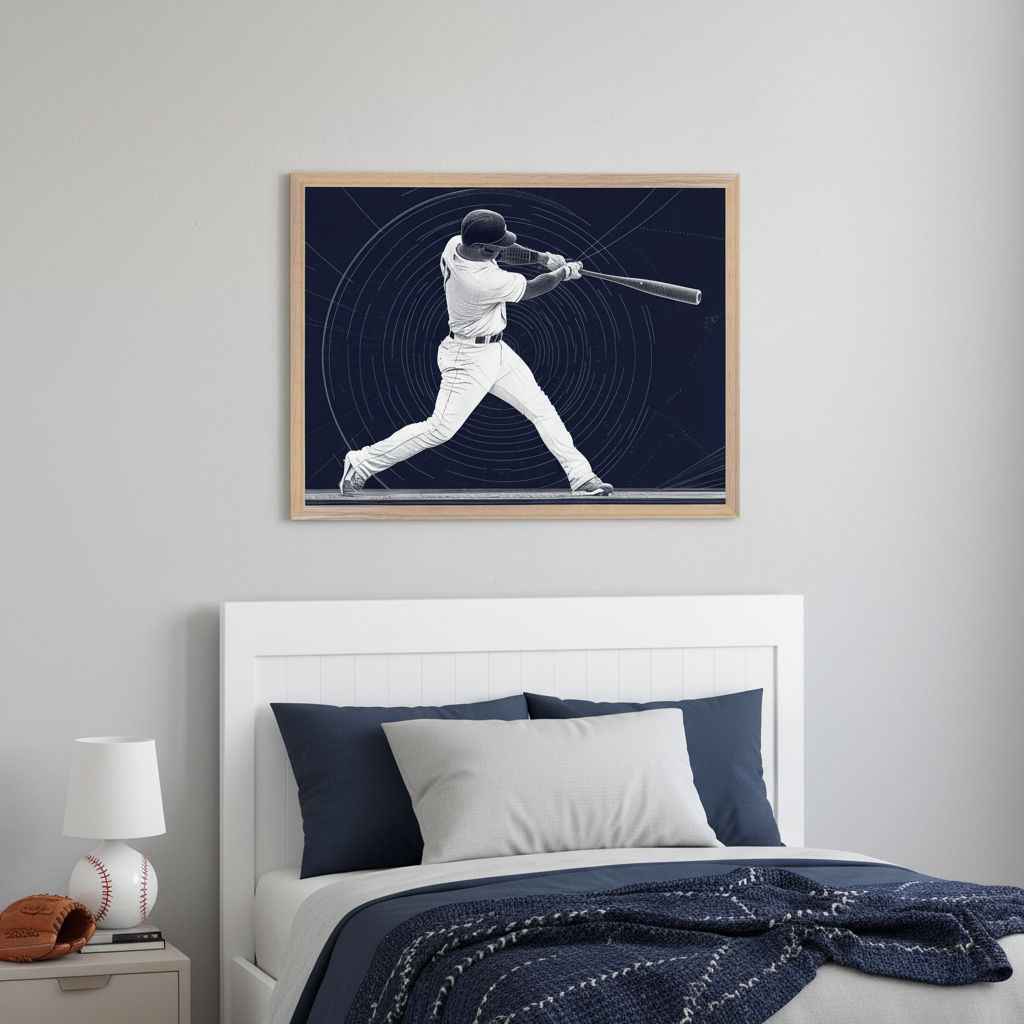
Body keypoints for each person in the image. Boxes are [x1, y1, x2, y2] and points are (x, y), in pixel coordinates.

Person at [339, 209, 613, 496]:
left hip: (496, 350)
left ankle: (581, 477)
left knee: (540, 408)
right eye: (493, 246)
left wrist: (541, 258)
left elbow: (504, 252)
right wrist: (563, 273)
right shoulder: (480, 282)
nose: (500, 248)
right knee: (440, 428)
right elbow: (533, 288)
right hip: (467, 357)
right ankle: (361, 463)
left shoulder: (455, 243)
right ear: (480, 248)